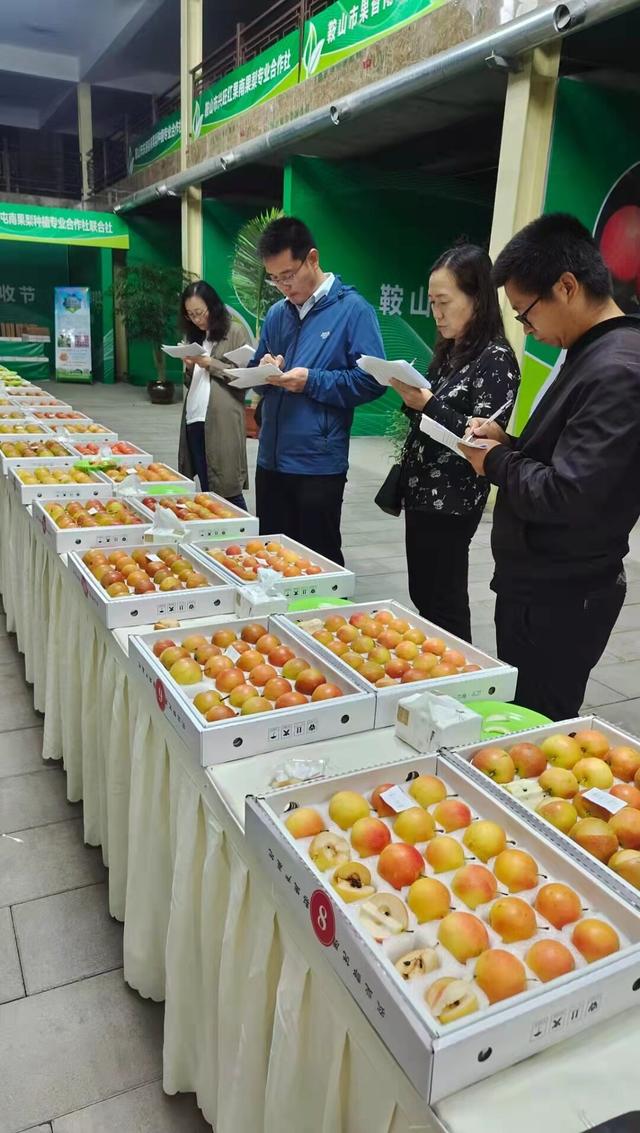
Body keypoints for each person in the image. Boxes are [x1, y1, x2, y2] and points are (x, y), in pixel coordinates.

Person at [463, 213, 640, 719]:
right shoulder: (593, 354)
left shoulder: (617, 370)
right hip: (538, 583)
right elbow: (568, 456)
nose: (527, 328)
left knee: (538, 723)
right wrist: (509, 441)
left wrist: (494, 460)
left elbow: (568, 493)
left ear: (566, 286)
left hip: (562, 596)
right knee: (521, 713)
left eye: (525, 313)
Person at [389, 244, 519, 642]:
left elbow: (480, 439)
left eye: (444, 301)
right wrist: (414, 398)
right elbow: (433, 416)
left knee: (444, 601)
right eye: (431, 303)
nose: (437, 313)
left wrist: (427, 403)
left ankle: (458, 681)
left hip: (454, 499)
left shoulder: (495, 359)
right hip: (422, 492)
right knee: (423, 593)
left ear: (477, 298)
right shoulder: (452, 352)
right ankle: (434, 668)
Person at [250, 216, 384, 565]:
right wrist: (264, 369)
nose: (283, 286)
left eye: (289, 275)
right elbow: (252, 370)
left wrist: (311, 380)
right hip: (271, 460)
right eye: (275, 279)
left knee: (316, 564)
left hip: (317, 466)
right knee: (271, 561)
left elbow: (372, 381)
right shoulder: (278, 313)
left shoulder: (353, 310)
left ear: (312, 258)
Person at [177, 280, 251, 510]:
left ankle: (247, 536)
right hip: (194, 419)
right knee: (207, 488)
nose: (197, 320)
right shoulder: (197, 337)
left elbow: (243, 379)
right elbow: (192, 383)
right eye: (190, 315)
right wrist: (189, 366)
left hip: (221, 421)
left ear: (214, 306)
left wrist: (210, 363)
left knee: (227, 489)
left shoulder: (235, 333)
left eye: (199, 313)